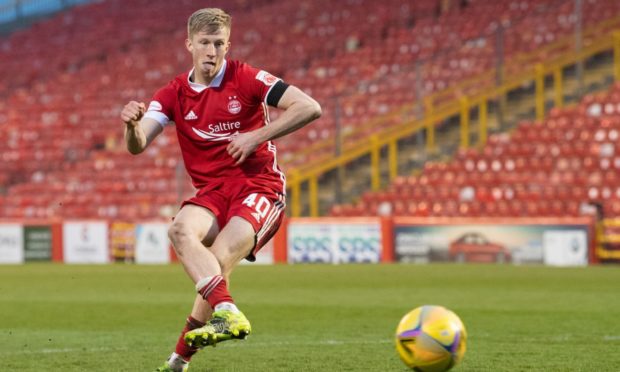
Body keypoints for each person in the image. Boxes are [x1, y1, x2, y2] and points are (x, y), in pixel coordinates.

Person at [120, 8, 321, 371]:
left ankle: (182, 355)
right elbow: (138, 144)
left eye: (218, 44)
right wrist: (132, 126)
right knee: (180, 230)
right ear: (189, 45)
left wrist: (256, 136)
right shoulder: (173, 93)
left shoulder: (247, 78)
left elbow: (310, 107)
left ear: (227, 45)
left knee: (221, 256)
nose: (212, 52)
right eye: (204, 43)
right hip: (212, 192)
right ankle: (217, 321)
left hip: (258, 188)